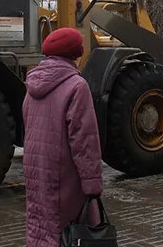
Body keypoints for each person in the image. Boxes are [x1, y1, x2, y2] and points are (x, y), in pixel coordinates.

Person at [23, 27, 103, 247]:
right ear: (76, 53)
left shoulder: (31, 85)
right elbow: (85, 142)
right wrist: (93, 185)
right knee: (70, 233)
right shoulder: (77, 86)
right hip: (66, 178)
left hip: (38, 174)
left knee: (41, 227)